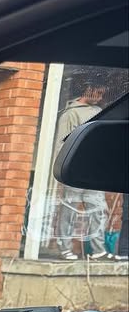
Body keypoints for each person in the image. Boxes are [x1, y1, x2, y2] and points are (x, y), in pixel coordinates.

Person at [54, 83, 108, 260]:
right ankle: (65, 249)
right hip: (75, 172)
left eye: (102, 94)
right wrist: (65, 170)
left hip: (94, 173)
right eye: (98, 93)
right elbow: (61, 144)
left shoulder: (98, 112)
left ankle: (98, 250)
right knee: (69, 211)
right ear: (88, 89)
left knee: (99, 210)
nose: (100, 97)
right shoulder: (71, 113)